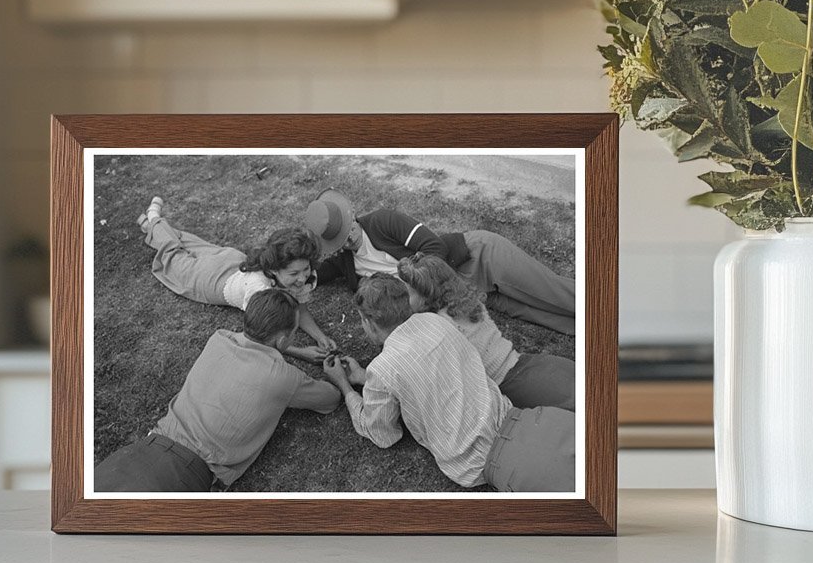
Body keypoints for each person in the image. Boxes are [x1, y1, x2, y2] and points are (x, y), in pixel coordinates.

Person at [321, 275, 575, 492]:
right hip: (533, 420)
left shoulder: (384, 368)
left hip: (491, 462)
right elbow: (422, 371)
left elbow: (383, 434)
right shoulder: (435, 321)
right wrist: (365, 377)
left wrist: (345, 388)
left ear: (369, 322)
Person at [95, 289, 341, 493]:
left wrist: (294, 350)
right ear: (280, 340)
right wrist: (338, 377)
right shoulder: (283, 377)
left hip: (140, 451)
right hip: (186, 475)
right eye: (293, 334)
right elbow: (330, 400)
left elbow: (256, 344)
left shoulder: (220, 338)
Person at [305, 188, 575, 335]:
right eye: (340, 241)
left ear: (352, 217)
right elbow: (313, 274)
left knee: (553, 292)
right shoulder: (345, 262)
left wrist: (420, 293)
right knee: (534, 313)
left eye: (348, 232)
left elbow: (433, 246)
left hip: (476, 257)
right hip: (462, 296)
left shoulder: (382, 220)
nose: (348, 241)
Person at [138, 194, 336, 361]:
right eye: (294, 273)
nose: (302, 279)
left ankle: (152, 227)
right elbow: (262, 339)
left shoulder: (298, 279)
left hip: (230, 260)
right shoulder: (260, 291)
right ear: (274, 270)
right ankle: (153, 218)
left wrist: (321, 337)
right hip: (211, 280)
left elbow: (300, 307)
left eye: (306, 269)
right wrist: (302, 353)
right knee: (173, 256)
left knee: (188, 242)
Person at [396, 253, 574, 411]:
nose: (405, 298)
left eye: (409, 293)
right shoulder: (466, 300)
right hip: (531, 363)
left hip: (511, 384)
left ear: (425, 295)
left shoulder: (439, 326)